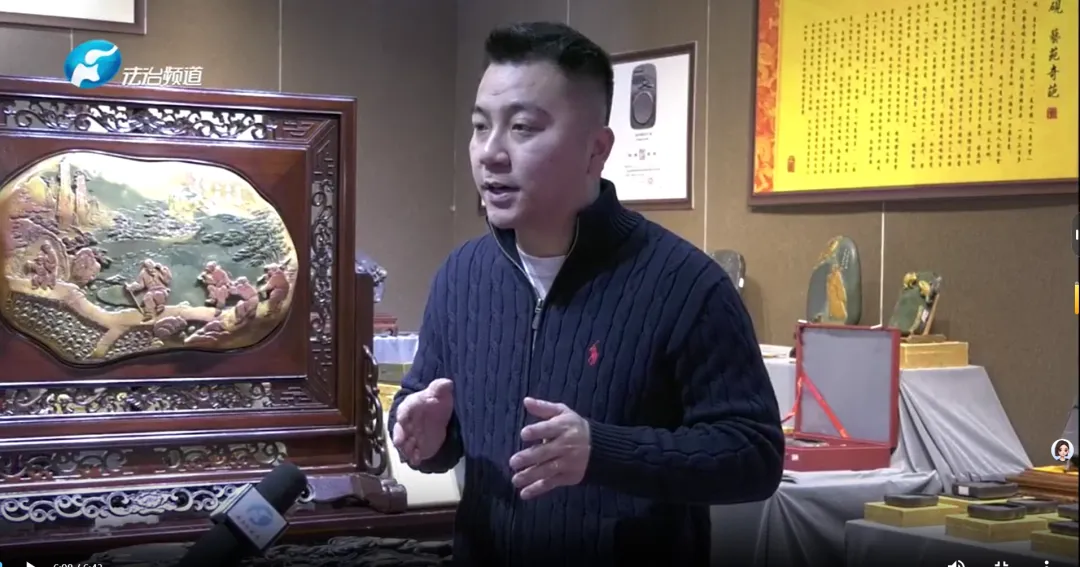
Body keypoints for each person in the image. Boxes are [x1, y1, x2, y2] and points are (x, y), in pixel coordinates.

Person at [388, 21, 784, 566]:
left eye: (522, 128)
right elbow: (434, 422)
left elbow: (755, 457)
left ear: (596, 149)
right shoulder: (461, 276)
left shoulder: (688, 285)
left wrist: (603, 451)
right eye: (480, 127)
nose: (490, 153)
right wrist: (425, 435)